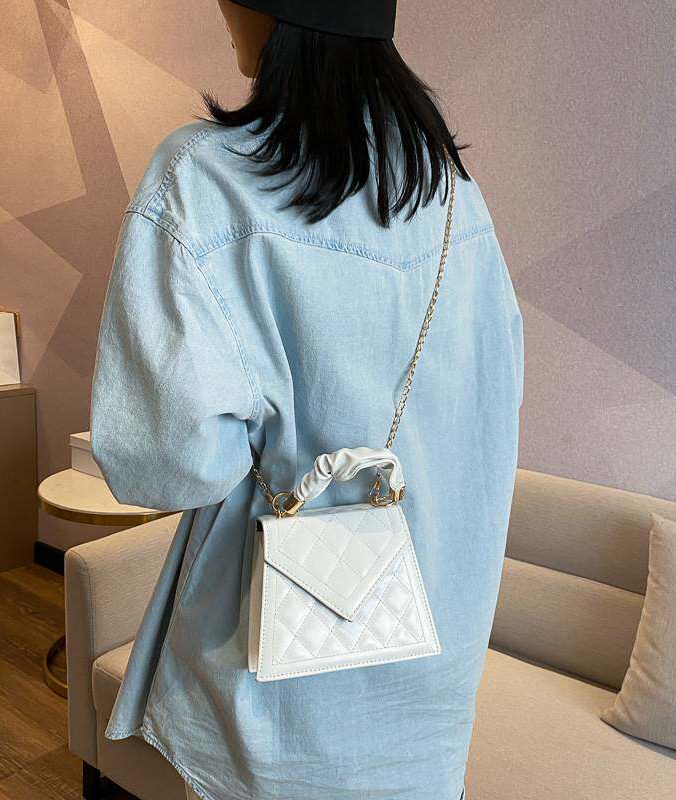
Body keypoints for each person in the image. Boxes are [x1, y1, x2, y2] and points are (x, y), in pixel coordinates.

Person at [89, 2, 524, 799]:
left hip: (274, 689)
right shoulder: (453, 193)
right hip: (428, 679)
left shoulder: (203, 180)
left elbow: (164, 463)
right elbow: (490, 419)